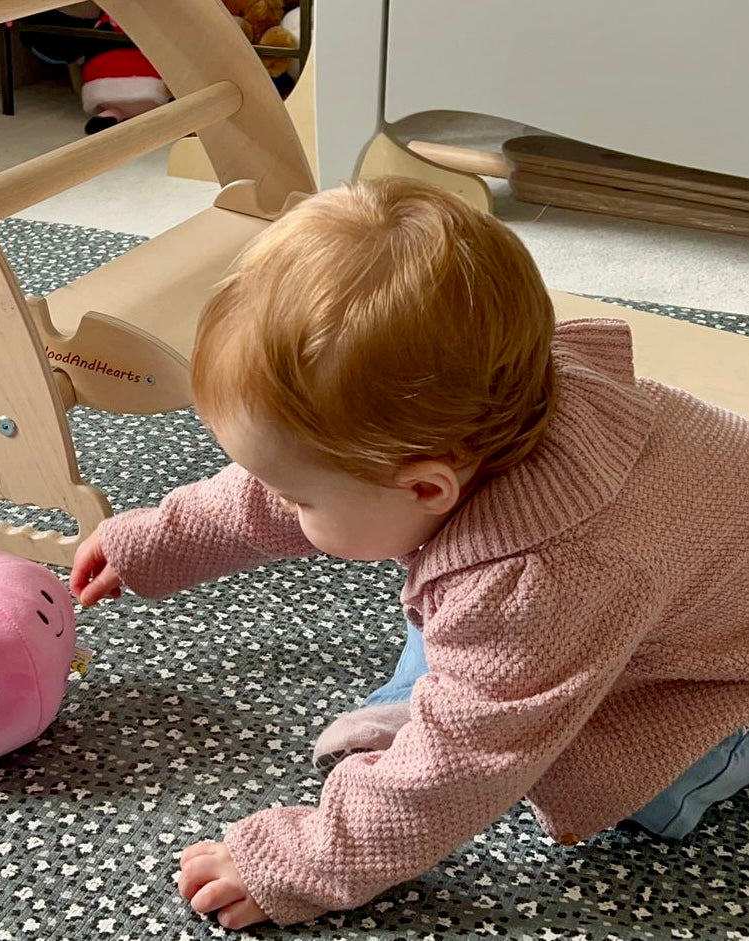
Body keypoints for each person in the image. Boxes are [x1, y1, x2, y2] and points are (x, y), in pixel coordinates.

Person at [70, 177, 749, 929]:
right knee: (464, 631)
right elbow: (269, 491)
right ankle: (419, 707)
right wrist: (158, 537)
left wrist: (301, 862)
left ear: (428, 488)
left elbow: (458, 772)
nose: (283, 504)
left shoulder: (541, 580)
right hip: (639, 590)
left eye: (303, 500)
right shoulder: (492, 406)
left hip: (715, 665)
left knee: (626, 775)